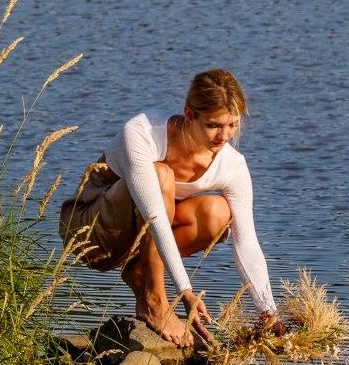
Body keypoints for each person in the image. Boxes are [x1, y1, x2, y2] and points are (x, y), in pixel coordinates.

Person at [59, 69, 286, 347]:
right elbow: (154, 218)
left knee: (218, 213)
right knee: (160, 175)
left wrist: (268, 312)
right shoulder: (143, 132)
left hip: (140, 237)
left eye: (232, 125)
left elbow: (247, 243)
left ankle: (141, 271)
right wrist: (184, 292)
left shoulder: (233, 166)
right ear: (189, 114)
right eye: (213, 125)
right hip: (91, 231)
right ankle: (154, 302)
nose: (223, 136)